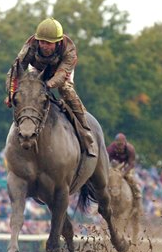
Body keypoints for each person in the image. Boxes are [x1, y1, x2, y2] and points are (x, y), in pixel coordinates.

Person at [5, 17, 95, 157]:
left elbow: (60, 76)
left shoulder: (69, 50)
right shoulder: (30, 45)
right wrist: (11, 94)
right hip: (37, 69)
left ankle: (85, 130)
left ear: (58, 42)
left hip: (60, 72)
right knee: (28, 91)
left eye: (49, 43)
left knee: (66, 91)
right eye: (42, 42)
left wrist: (47, 84)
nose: (45, 46)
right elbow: (15, 70)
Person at [106, 133, 142, 208]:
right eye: (118, 145)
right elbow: (106, 162)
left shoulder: (130, 149)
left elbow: (132, 164)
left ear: (125, 143)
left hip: (126, 167)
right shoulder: (110, 149)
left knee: (131, 179)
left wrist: (123, 173)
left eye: (121, 144)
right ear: (115, 143)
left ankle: (137, 197)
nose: (120, 147)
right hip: (114, 167)